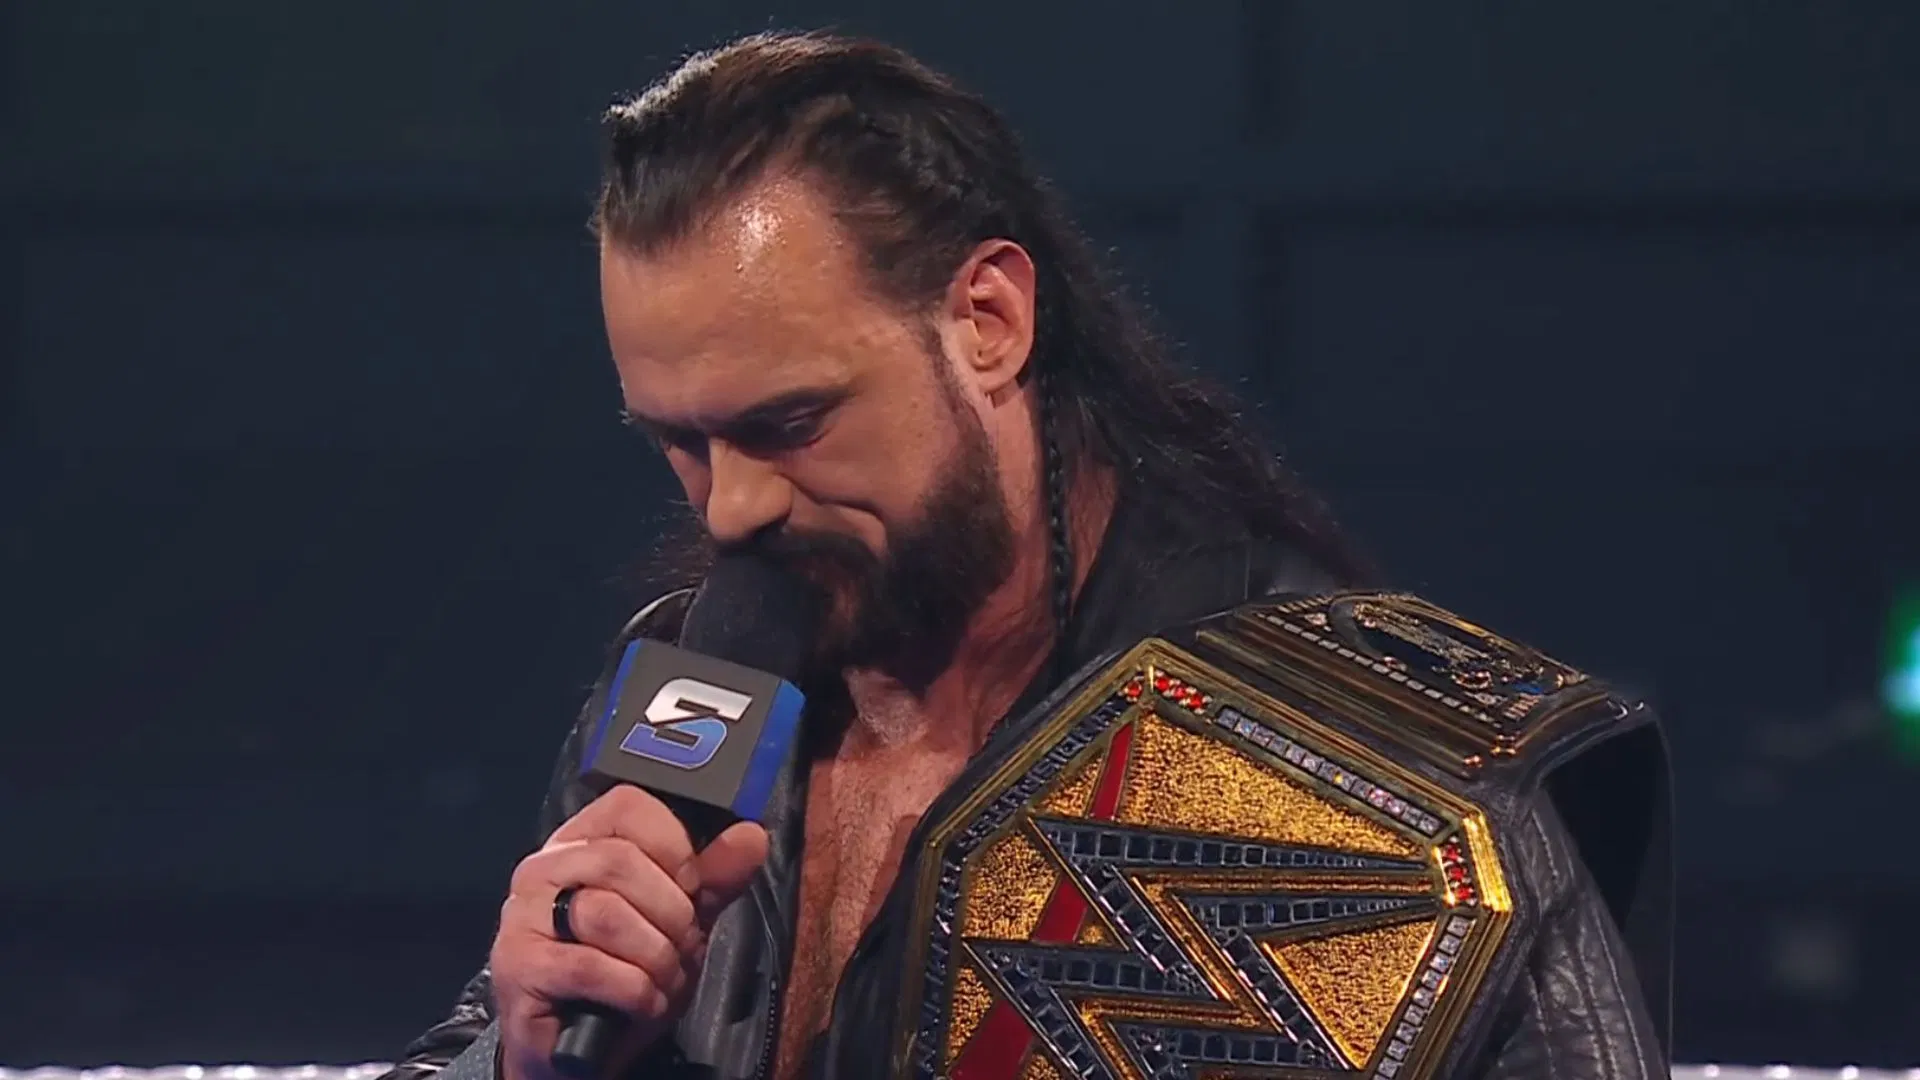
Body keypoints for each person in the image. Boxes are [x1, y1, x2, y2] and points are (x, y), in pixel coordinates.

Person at [381, 30, 1671, 1080]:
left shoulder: (1371, 767)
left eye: (789, 423)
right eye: (680, 441)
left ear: (988, 320)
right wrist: (528, 1061)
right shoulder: (688, 705)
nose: (731, 509)